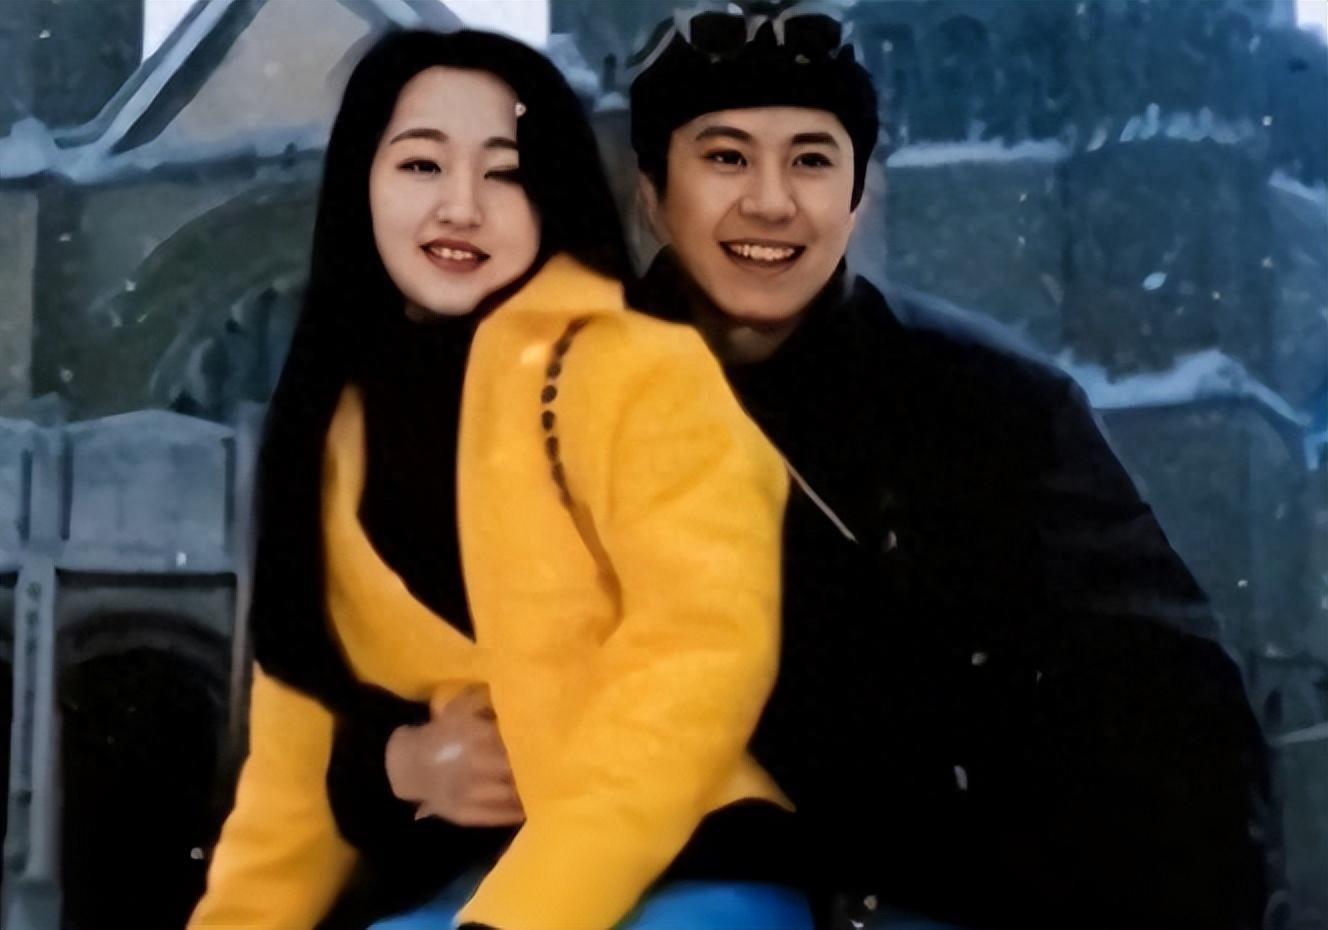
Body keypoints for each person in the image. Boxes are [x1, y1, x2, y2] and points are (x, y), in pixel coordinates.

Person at [622, 3, 1270, 928]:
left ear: (858, 194)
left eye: (812, 160)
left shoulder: (992, 406)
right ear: (651, 191)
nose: (770, 201)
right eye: (726, 157)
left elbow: (1169, 709)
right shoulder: (537, 398)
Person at [189, 28, 813, 930]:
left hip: (684, 867)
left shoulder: (638, 372)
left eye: (505, 172)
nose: (461, 207)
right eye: (420, 165)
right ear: (362, 184)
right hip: (459, 886)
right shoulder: (328, 431)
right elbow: (294, 763)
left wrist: (530, 908)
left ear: (551, 191)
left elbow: (700, 660)